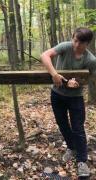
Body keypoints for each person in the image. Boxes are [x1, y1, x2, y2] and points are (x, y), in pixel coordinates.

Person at [41, 27, 96, 177]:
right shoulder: (66, 47)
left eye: (81, 42)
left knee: (78, 128)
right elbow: (45, 55)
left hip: (76, 98)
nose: (77, 44)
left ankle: (82, 161)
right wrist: (55, 74)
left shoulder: (90, 60)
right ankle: (71, 147)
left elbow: (91, 78)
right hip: (57, 95)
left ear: (87, 44)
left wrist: (78, 82)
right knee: (62, 124)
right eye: (75, 40)